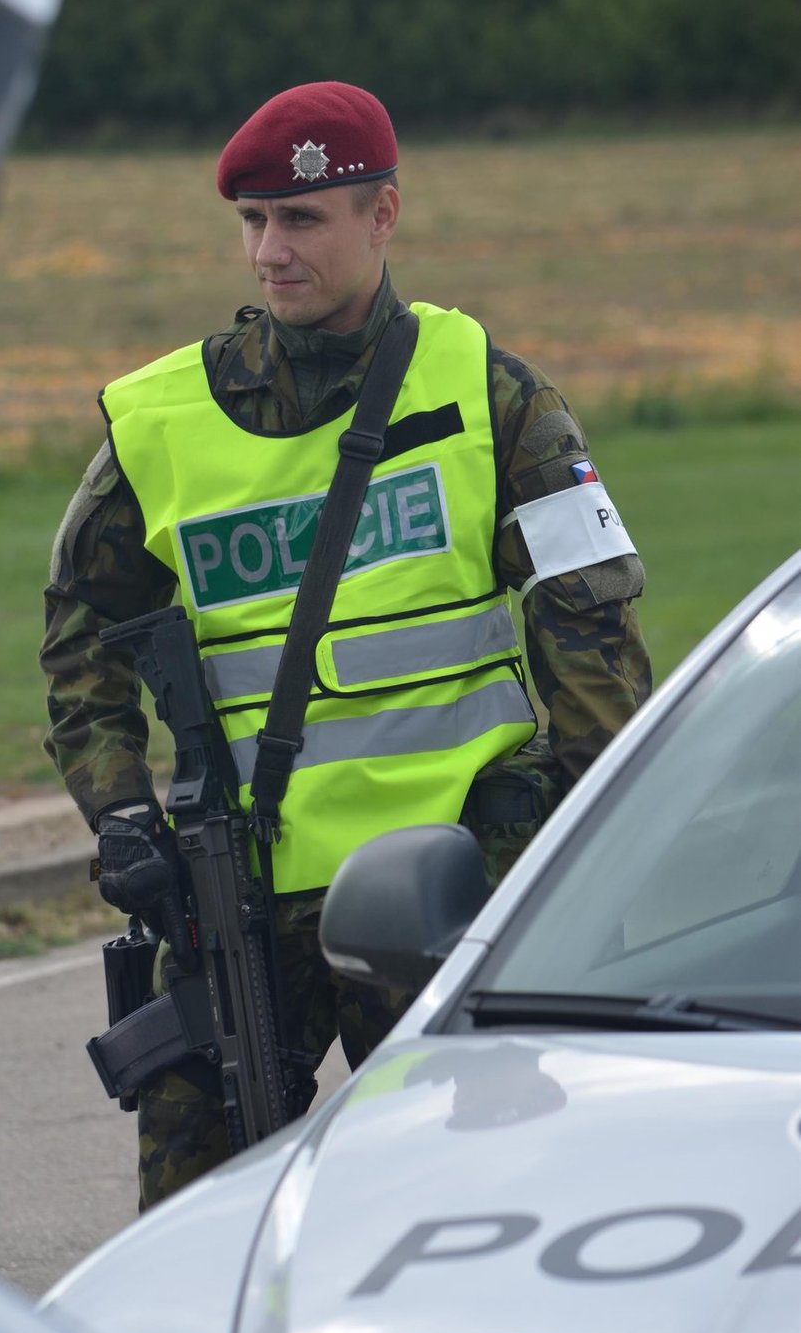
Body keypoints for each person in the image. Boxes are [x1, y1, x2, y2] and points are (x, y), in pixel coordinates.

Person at [40, 81, 651, 1210]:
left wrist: (579, 858)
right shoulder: (161, 418)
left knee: (479, 1207)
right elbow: (79, 626)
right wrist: (123, 814)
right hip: (239, 886)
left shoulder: (489, 393)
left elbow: (590, 620)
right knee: (194, 1225)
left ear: (384, 215)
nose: (271, 252)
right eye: (253, 221)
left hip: (450, 886)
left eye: (303, 219)